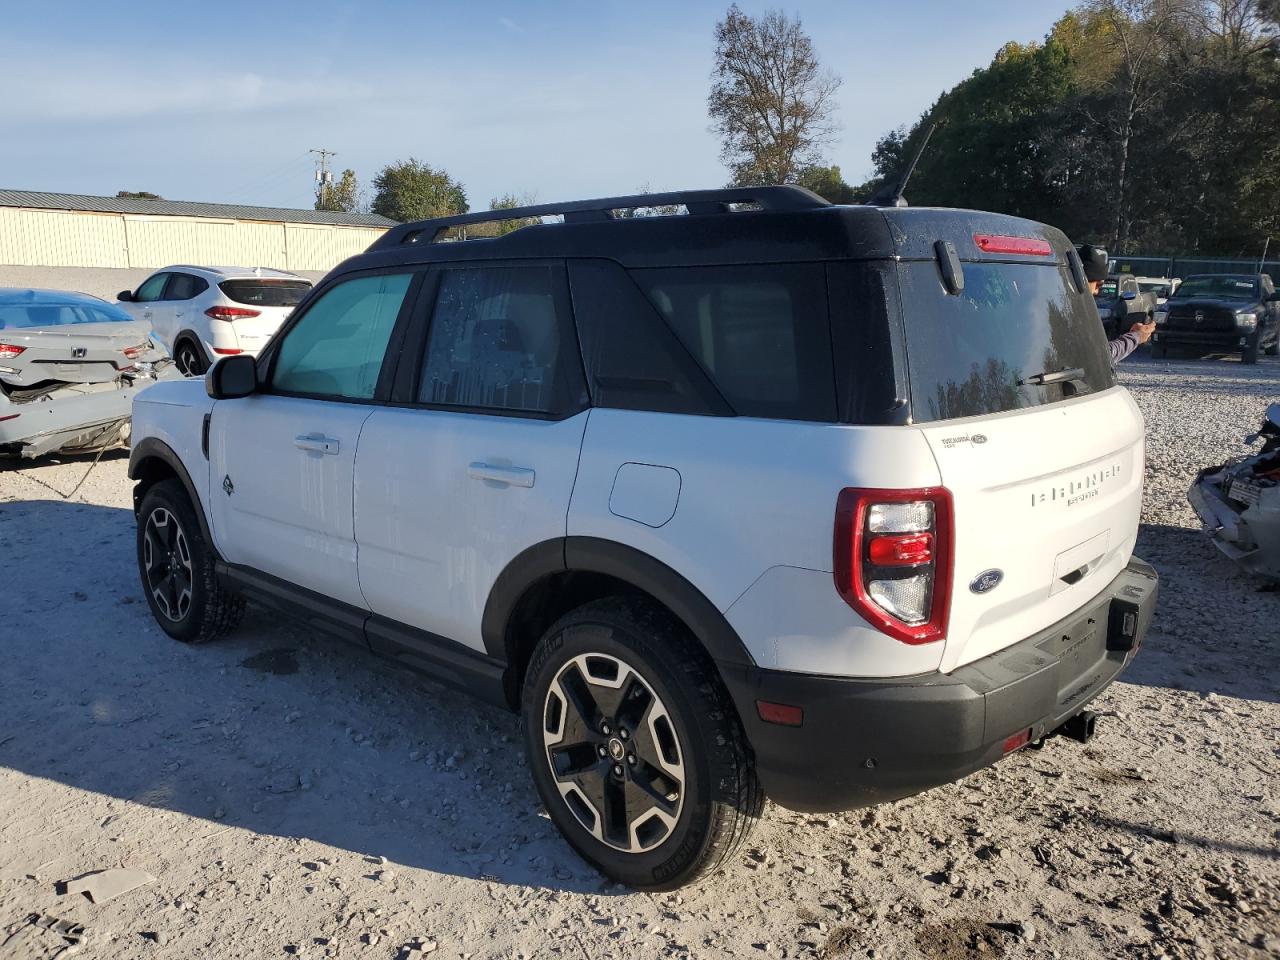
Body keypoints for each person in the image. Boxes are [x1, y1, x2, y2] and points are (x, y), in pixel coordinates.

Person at [1077, 243, 1155, 363]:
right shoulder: (1073, 313)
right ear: (1082, 279)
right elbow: (1102, 356)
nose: (1097, 292)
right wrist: (1136, 337)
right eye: (1097, 285)